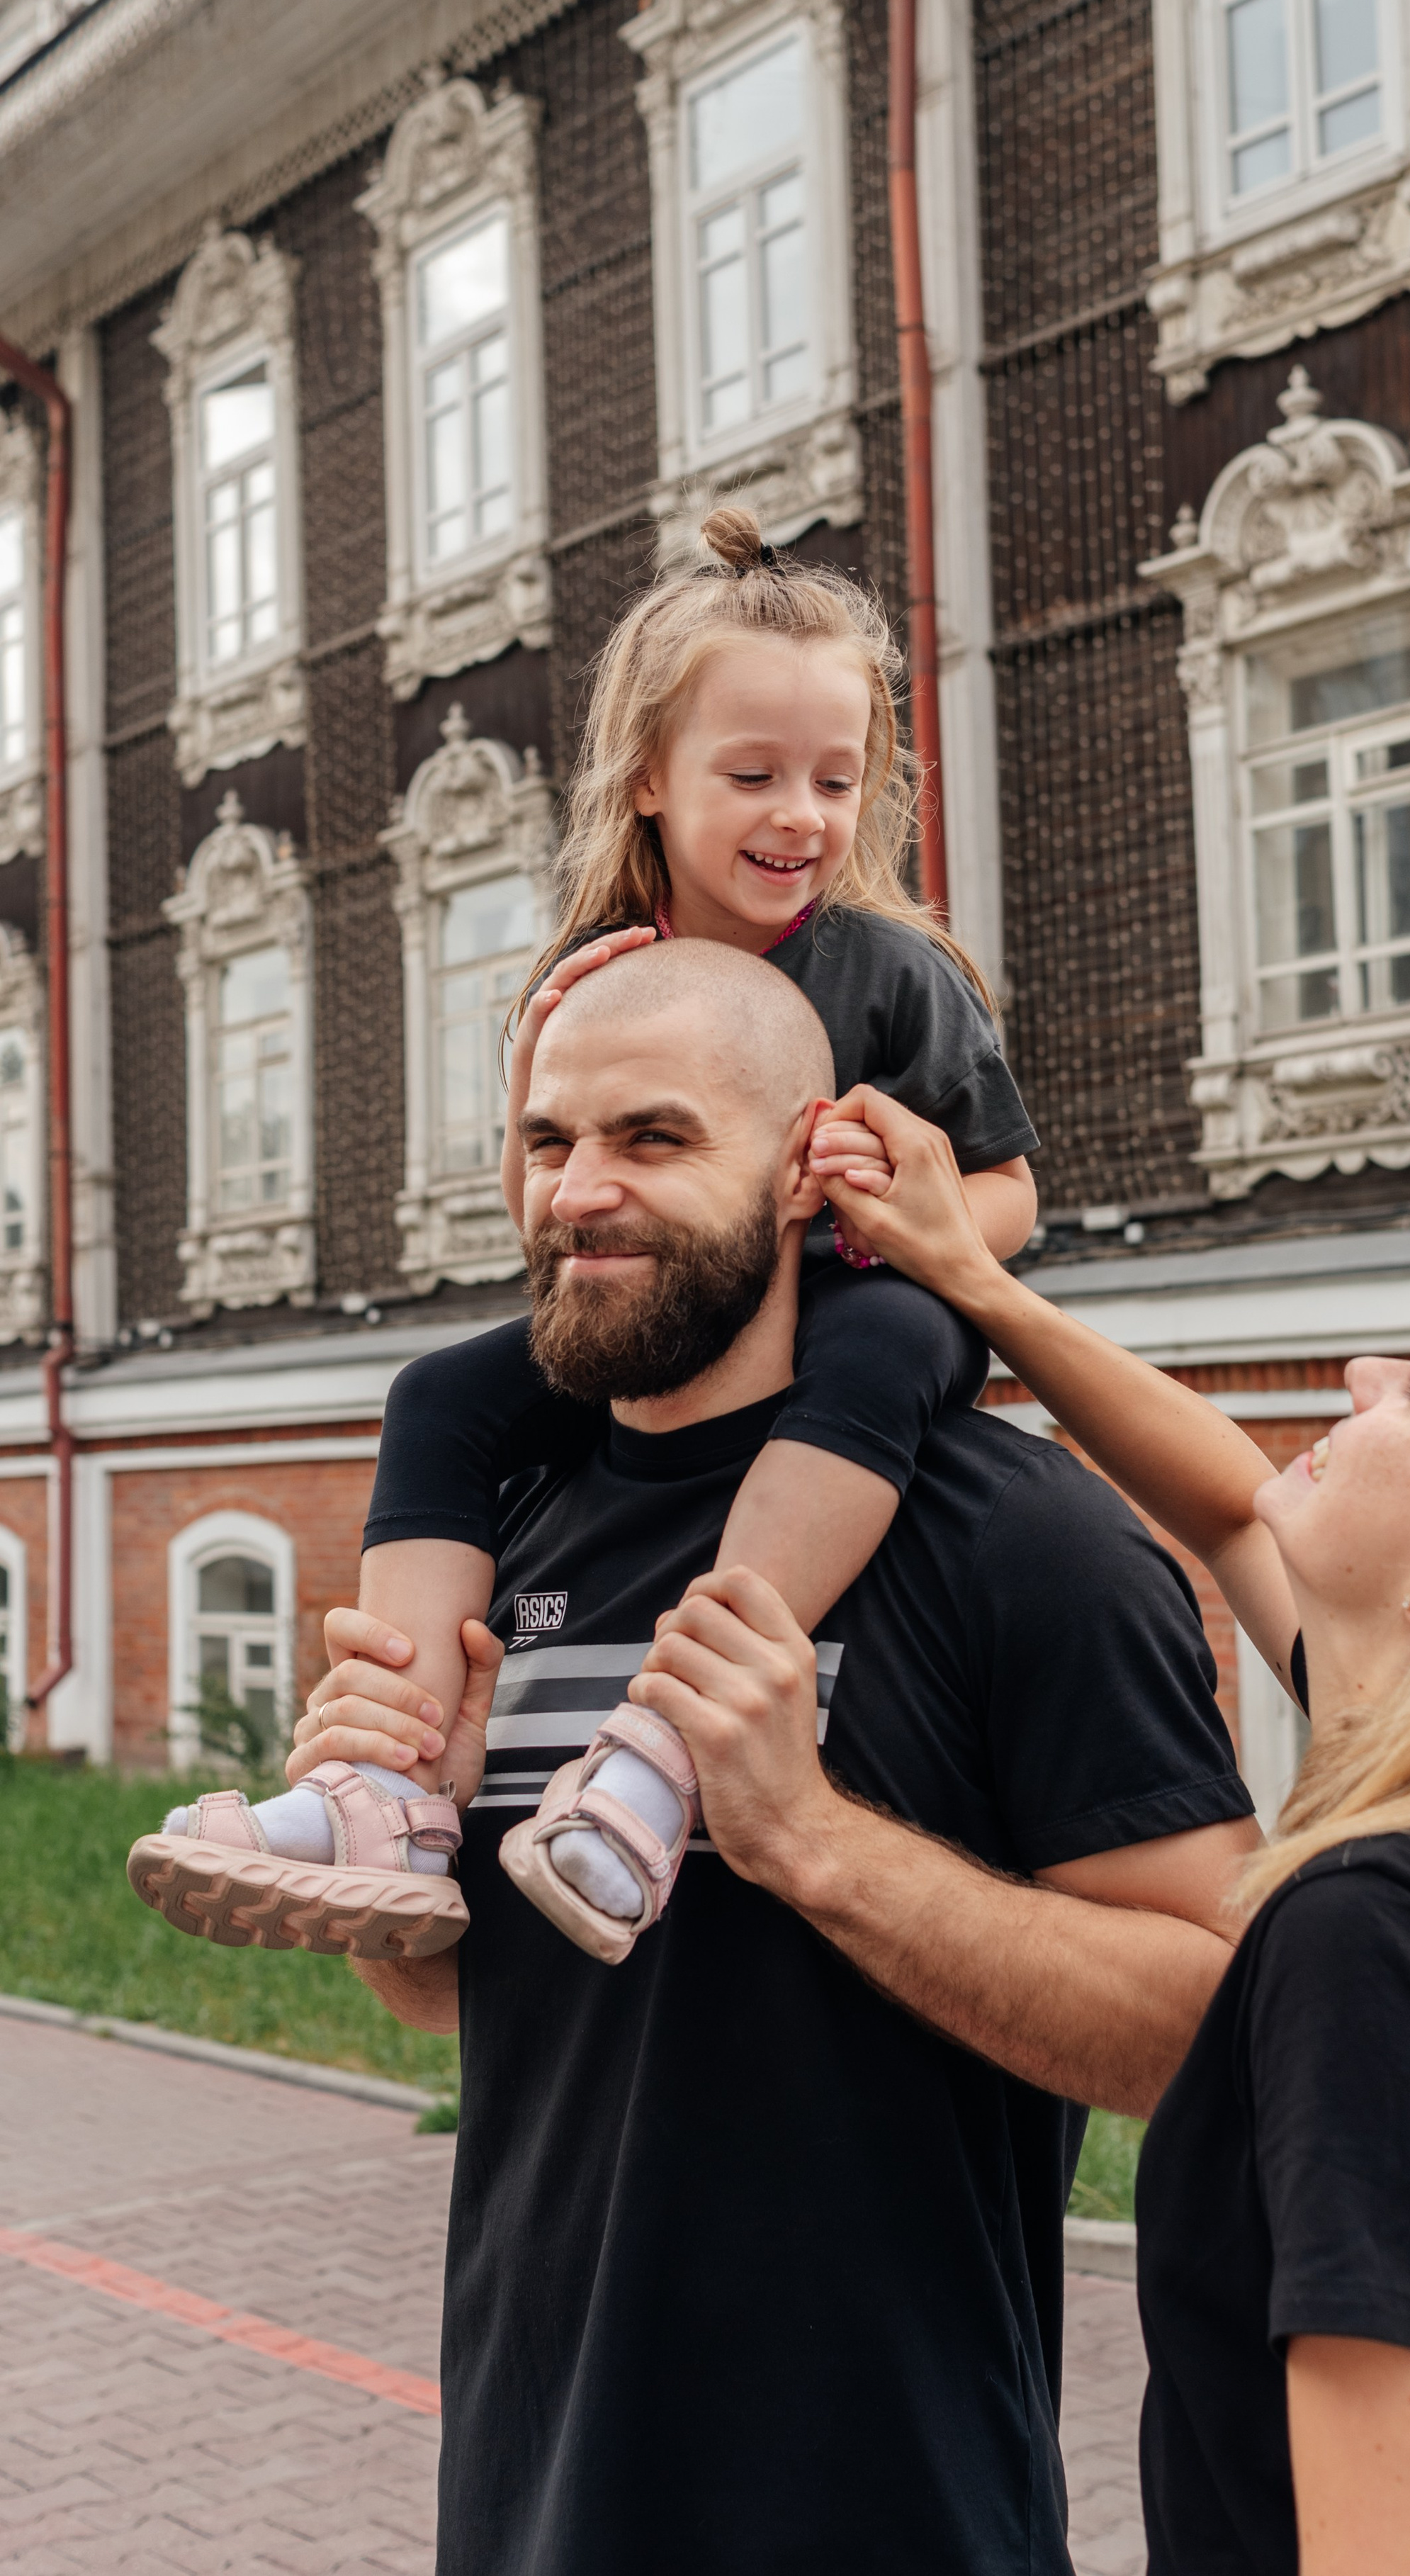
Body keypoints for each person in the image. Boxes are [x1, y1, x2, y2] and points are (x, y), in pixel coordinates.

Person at [281, 938, 1260, 2575]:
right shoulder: (500, 1536)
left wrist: (810, 1837)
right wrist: (418, 1856)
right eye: (546, 1141)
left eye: (653, 1139)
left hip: (889, 2514)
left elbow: (1214, 2027)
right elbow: (481, 2003)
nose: (578, 1191)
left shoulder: (1024, 1543)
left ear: (807, 1170)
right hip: (529, 2500)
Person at [803, 1086, 1410, 2576]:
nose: (1360, 1372)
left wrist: (799, 1827)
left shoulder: (1379, 1940)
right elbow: (1227, 1505)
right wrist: (974, 1279)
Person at [128, 502, 1038, 1959]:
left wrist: (903, 1220)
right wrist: (546, 1104)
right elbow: (547, 1215)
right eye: (751, 775)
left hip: (854, 1300)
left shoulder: (887, 969)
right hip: (666, 1308)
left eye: (833, 777)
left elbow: (1008, 1196)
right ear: (647, 784)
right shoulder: (588, 971)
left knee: (882, 1340)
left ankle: (664, 1751)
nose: (799, 814)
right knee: (439, 1392)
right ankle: (392, 1786)